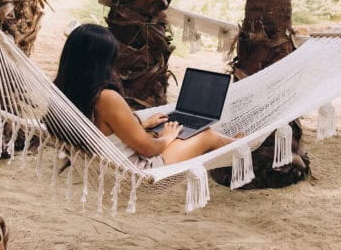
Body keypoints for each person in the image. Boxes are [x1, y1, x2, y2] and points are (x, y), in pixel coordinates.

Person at [53, 23, 239, 168]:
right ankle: (242, 146)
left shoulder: (65, 91)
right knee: (206, 135)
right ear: (102, 61)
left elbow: (101, 129)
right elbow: (148, 150)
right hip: (139, 169)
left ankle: (238, 143)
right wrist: (167, 136)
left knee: (177, 131)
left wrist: (141, 125)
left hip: (111, 163)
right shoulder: (106, 97)